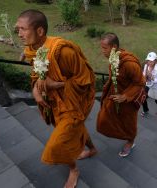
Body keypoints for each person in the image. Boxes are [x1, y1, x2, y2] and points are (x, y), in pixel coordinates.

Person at [17, 9, 97, 188]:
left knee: (58, 144)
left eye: (23, 29)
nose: (19, 34)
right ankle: (92, 149)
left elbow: (86, 80)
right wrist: (37, 92)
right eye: (18, 29)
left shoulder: (63, 52)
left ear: (40, 31)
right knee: (76, 130)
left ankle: (73, 169)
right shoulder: (33, 48)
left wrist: (57, 85)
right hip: (53, 103)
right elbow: (37, 69)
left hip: (71, 103)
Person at [97, 33, 145, 157]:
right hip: (114, 95)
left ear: (114, 47)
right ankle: (119, 133)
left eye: (104, 48)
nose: (102, 51)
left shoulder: (129, 63)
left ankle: (130, 141)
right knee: (103, 118)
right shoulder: (114, 58)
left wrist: (125, 96)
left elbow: (140, 83)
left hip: (128, 100)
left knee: (128, 123)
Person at [141, 52, 157, 118]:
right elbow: (143, 74)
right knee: (143, 97)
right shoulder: (146, 66)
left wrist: (152, 77)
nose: (149, 62)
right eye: (148, 61)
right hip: (148, 84)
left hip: (156, 87)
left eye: (151, 61)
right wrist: (145, 76)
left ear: (155, 61)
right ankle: (145, 110)